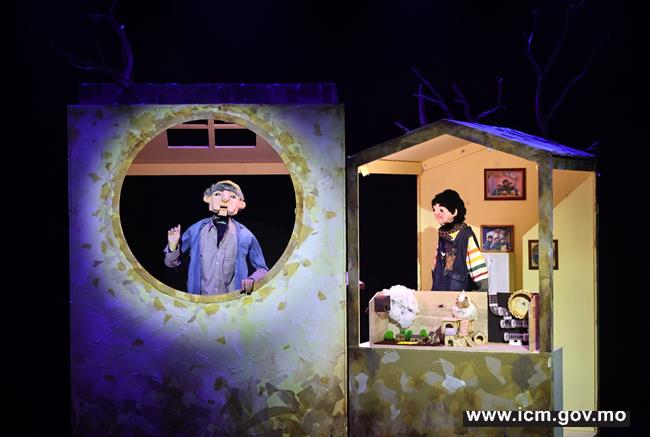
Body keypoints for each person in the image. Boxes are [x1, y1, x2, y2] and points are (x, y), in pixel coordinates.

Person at [164, 180, 268, 295]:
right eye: (218, 194)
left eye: (232, 196)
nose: (225, 199)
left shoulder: (245, 235)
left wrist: (253, 279)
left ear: (240, 204)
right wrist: (172, 248)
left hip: (232, 302)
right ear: (208, 198)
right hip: (200, 301)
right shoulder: (197, 230)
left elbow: (263, 269)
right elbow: (171, 265)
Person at [431, 189, 489, 291]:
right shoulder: (442, 235)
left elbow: (478, 269)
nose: (436, 213)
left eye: (441, 210)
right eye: (434, 210)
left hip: (458, 294)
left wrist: (481, 293)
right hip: (439, 291)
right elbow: (437, 265)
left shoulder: (465, 236)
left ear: (454, 211)